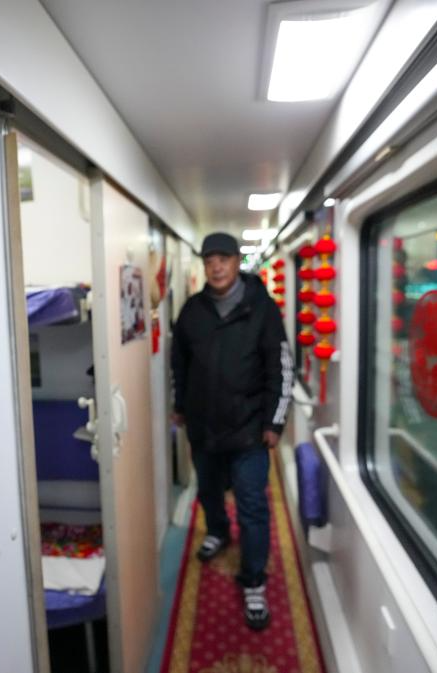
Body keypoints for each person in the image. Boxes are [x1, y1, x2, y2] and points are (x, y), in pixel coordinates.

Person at [170, 231, 293, 631]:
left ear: (237, 262)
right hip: (204, 428)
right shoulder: (192, 311)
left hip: (248, 432)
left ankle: (253, 578)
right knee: (207, 491)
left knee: (252, 504)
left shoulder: (263, 310)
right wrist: (180, 406)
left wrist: (275, 422)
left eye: (223, 258)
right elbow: (179, 365)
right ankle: (218, 532)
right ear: (203, 266)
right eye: (209, 260)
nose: (217, 266)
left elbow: (281, 370)